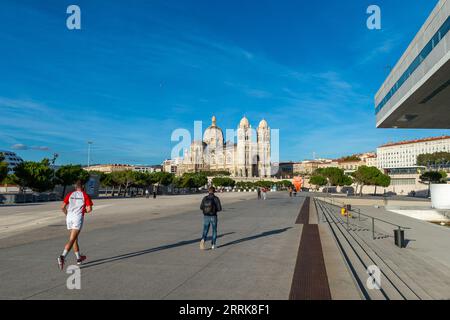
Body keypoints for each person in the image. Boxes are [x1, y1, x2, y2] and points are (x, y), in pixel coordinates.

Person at [58, 180, 93, 270]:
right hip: (77, 218)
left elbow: (62, 207)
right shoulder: (85, 195)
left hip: (69, 218)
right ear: (83, 187)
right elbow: (89, 209)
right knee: (72, 239)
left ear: (75, 187)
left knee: (74, 239)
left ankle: (78, 258)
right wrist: (82, 211)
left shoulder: (70, 194)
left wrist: (67, 214)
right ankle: (62, 256)